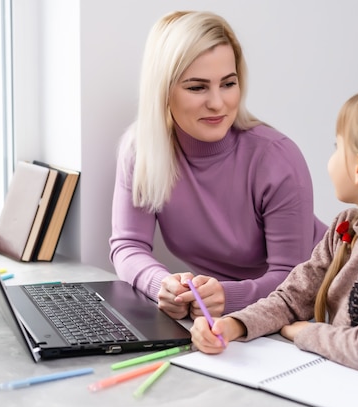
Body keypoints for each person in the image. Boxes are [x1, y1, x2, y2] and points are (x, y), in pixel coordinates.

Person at [190, 85, 358, 382]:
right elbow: (292, 298)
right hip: (345, 385)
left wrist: (307, 333)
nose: (331, 159)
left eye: (337, 147)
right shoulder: (346, 226)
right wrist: (232, 325)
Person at [109, 11, 326, 320]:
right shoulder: (141, 149)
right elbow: (128, 245)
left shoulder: (275, 157)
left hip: (319, 304)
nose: (217, 103)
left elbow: (294, 279)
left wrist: (228, 297)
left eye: (228, 83)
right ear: (163, 90)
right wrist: (163, 285)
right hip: (229, 319)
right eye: (197, 87)